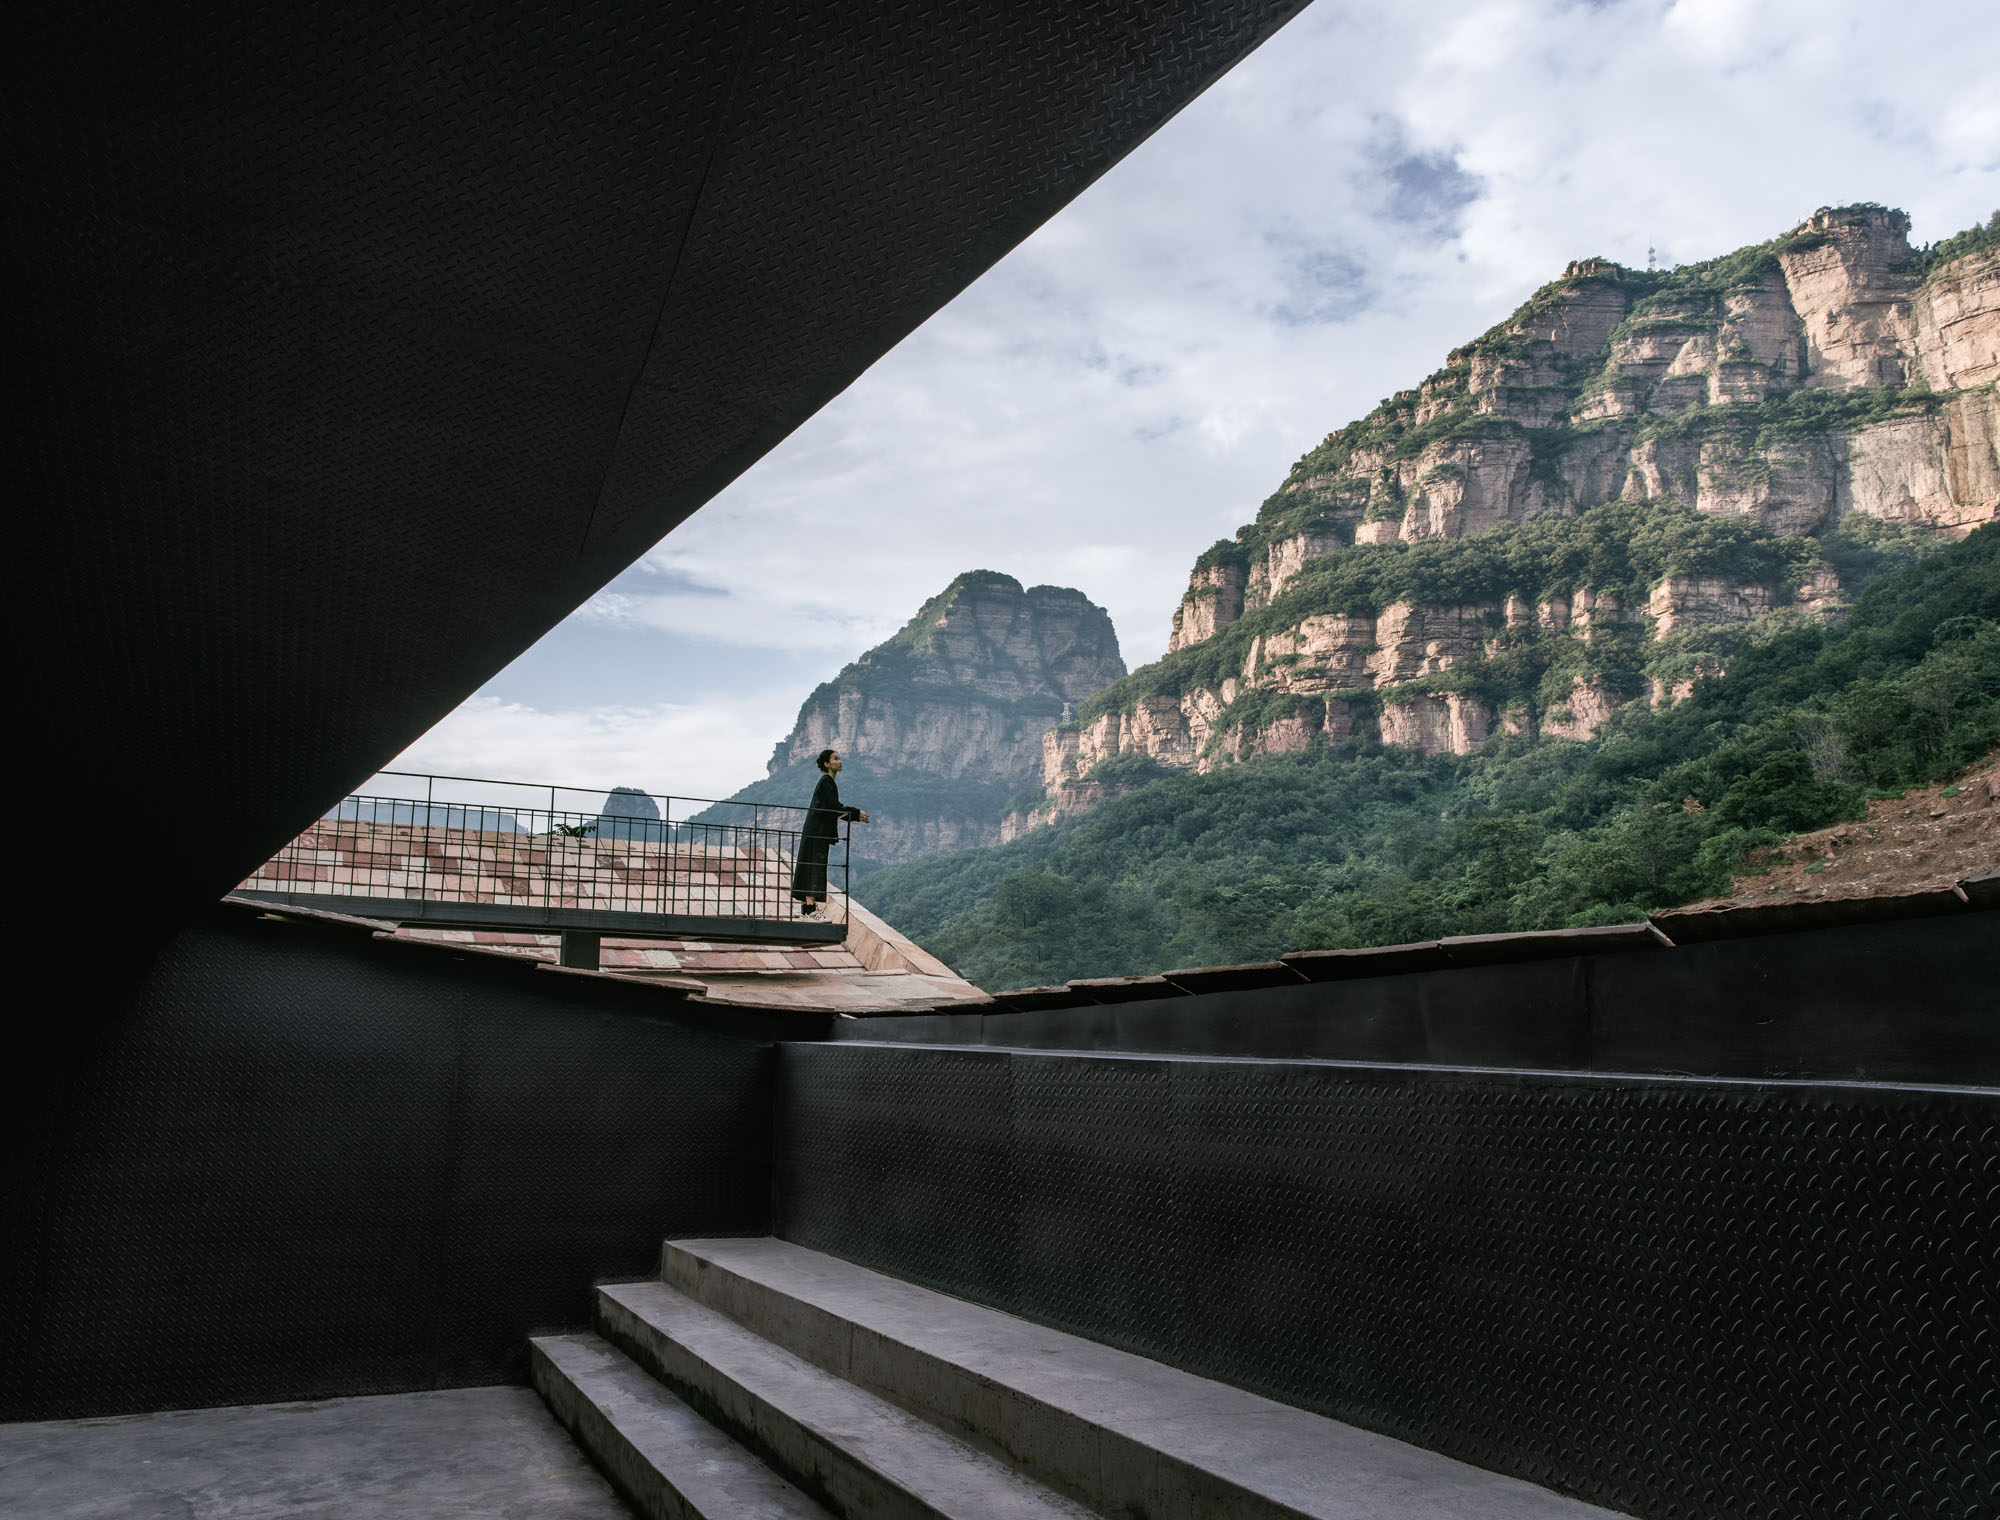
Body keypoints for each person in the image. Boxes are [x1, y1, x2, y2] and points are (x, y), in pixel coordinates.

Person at [792, 748, 867, 917]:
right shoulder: (826, 781)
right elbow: (834, 808)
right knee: (815, 865)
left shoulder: (828, 782)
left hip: (816, 830)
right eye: (835, 759)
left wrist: (856, 815)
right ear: (827, 764)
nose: (840, 761)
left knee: (812, 864)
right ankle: (810, 909)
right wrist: (856, 814)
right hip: (817, 831)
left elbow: (833, 809)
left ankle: (807, 908)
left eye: (839, 758)